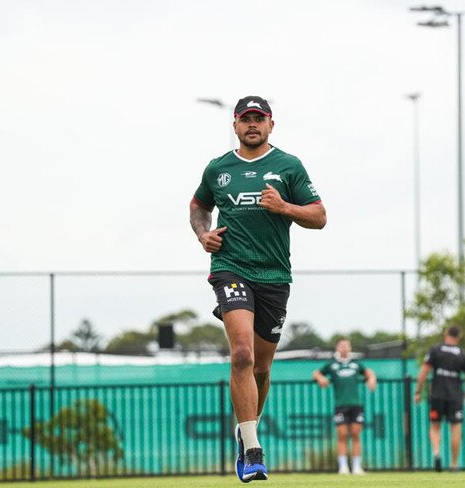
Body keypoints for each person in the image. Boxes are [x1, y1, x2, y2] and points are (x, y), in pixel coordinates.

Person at [189, 95, 326, 482]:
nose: (252, 124)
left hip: (274, 276)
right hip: (230, 268)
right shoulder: (218, 168)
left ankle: (245, 428)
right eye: (245, 119)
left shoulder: (288, 166)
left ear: (270, 124)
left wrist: (284, 208)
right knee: (242, 354)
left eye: (259, 118)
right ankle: (253, 450)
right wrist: (204, 235)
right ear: (234, 125)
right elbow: (198, 206)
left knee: (262, 368)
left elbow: (319, 216)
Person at [414, 325, 465, 472]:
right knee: (455, 428)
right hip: (455, 397)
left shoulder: (435, 350)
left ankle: (436, 453)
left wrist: (418, 392)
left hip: (437, 395)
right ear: (459, 337)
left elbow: (423, 373)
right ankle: (454, 465)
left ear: (445, 334)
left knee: (435, 426)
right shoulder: (463, 355)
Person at [312, 338, 376, 475]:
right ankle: (343, 467)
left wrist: (371, 379)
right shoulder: (332, 365)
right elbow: (316, 373)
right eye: (341, 346)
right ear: (337, 348)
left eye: (347, 345)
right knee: (342, 435)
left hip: (356, 404)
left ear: (350, 348)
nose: (344, 348)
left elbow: (369, 373)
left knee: (356, 434)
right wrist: (321, 378)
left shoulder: (356, 364)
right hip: (340, 405)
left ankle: (357, 467)